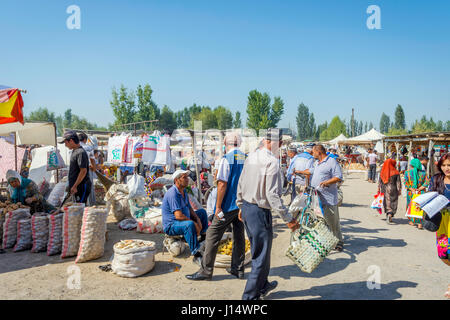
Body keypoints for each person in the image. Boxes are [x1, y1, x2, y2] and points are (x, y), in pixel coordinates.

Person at [236, 129, 299, 300]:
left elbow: (241, 183)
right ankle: (249, 298)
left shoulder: (252, 157)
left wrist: (241, 205)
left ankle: (263, 285)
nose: (280, 146)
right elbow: (272, 195)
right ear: (273, 142)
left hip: (249, 209)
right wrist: (288, 218)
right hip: (259, 211)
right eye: (280, 143)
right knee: (260, 256)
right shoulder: (272, 161)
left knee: (262, 251)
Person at [186, 132, 246, 281]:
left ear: (226, 144)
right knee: (239, 236)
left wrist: (218, 207)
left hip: (227, 206)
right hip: (242, 205)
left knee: (212, 235)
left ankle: (206, 270)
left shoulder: (227, 159)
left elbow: (222, 184)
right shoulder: (246, 158)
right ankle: (238, 269)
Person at [298, 144, 344, 251]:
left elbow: (338, 176)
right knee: (321, 221)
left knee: (333, 221)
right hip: (317, 198)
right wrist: (299, 172)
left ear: (319, 152)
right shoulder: (317, 163)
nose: (312, 154)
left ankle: (339, 242)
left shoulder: (331, 161)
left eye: (313, 152)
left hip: (328, 198)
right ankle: (328, 241)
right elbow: (311, 171)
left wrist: (327, 182)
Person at [162, 170, 209, 265]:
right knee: (190, 224)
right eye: (184, 177)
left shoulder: (183, 192)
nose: (187, 180)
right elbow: (178, 216)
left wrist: (198, 219)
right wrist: (195, 223)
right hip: (172, 225)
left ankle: (203, 239)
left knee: (202, 212)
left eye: (187, 177)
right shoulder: (173, 193)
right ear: (177, 180)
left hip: (181, 221)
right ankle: (196, 253)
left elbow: (189, 208)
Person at [423, 153, 450, 298]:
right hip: (442, 221)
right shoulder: (436, 179)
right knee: (443, 253)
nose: (447, 168)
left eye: (449, 165)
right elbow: (429, 196)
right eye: (444, 165)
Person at [58, 131, 92, 205]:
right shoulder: (75, 151)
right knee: (76, 208)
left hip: (82, 186)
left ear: (71, 141)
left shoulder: (80, 152)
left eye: (65, 143)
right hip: (76, 187)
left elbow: (83, 171)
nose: (65, 145)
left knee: (80, 208)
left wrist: (75, 186)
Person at [404, 158, 430, 229]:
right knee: (420, 207)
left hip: (411, 193)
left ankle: (412, 221)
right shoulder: (424, 173)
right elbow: (427, 182)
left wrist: (412, 189)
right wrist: (420, 188)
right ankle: (420, 224)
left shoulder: (407, 173)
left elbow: (406, 183)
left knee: (411, 205)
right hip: (421, 192)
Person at [378, 159, 402, 224]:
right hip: (393, 189)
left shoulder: (382, 171)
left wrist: (378, 189)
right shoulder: (396, 172)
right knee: (393, 201)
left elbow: (379, 181)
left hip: (384, 189)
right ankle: (390, 215)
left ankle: (388, 213)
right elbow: (398, 182)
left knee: (386, 202)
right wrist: (399, 190)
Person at [78, 132, 97, 206]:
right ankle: (89, 203)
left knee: (79, 186)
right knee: (88, 186)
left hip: (77, 171)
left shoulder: (74, 148)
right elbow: (92, 159)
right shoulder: (88, 147)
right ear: (85, 139)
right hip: (87, 169)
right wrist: (94, 168)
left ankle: (79, 204)